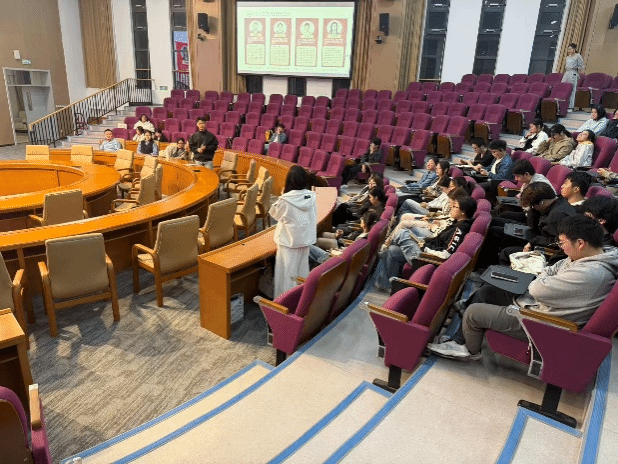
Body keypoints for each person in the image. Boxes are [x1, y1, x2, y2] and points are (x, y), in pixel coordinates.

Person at [427, 215, 618, 360]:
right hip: (542, 304)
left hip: (544, 322)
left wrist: (543, 278)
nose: (561, 248)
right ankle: (459, 336)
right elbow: (550, 269)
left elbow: (537, 289)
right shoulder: (589, 255)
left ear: (580, 243)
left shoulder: (592, 273)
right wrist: (544, 277)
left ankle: (469, 350)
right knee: (488, 291)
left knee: (474, 313)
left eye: (562, 243)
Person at [374, 195, 477, 292]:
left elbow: (446, 254)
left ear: (463, 212)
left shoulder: (460, 230)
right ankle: (385, 284)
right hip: (424, 252)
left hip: (426, 260)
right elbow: (437, 241)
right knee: (392, 251)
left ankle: (379, 252)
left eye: (455, 207)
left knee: (402, 233)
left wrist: (424, 246)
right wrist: (423, 241)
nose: (451, 208)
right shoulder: (455, 222)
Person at [269, 166, 317, 297]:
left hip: (288, 243)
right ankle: (301, 298)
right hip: (304, 240)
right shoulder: (311, 196)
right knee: (302, 271)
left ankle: (284, 300)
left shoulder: (285, 200)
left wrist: (282, 195)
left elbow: (274, 214)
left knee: (287, 275)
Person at [309, 210, 379, 266]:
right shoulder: (366, 236)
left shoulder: (363, 239)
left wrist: (335, 252)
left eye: (362, 219)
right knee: (322, 236)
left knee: (309, 247)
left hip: (337, 256)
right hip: (342, 249)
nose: (361, 219)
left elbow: (349, 254)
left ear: (365, 224)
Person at [476, 140, 514, 204]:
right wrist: (483, 169)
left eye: (494, 152)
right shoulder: (497, 158)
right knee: (473, 180)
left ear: (502, 150)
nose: (492, 154)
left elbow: (501, 177)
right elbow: (490, 167)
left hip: (497, 183)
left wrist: (488, 174)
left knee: (477, 187)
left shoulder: (507, 162)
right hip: (491, 179)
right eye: (491, 152)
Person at [562, 43, 584, 110]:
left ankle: (570, 106)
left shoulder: (578, 56)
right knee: (563, 87)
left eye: (570, 49)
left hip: (573, 72)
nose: (568, 50)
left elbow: (581, 66)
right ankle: (563, 104)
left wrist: (577, 73)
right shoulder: (567, 57)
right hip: (567, 72)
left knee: (572, 89)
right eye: (568, 49)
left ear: (574, 49)